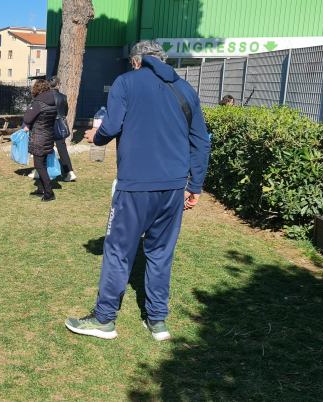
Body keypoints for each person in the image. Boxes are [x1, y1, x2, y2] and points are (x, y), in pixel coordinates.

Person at [66, 40, 211, 341]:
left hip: (135, 186)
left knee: (118, 250)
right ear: (162, 59)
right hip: (173, 188)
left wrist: (97, 136)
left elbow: (112, 125)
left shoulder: (126, 82)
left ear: (136, 61)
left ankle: (104, 319)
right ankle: (157, 321)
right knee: (160, 253)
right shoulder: (185, 89)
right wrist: (194, 186)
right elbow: (201, 142)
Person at [22, 79, 58, 202]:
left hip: (39, 137)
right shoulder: (53, 102)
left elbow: (27, 118)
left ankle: (49, 192)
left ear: (36, 88)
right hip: (48, 136)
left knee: (39, 165)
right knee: (42, 164)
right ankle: (41, 189)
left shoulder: (37, 103)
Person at [50, 76, 77, 182]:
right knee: (62, 150)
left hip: (48, 125)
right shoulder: (63, 97)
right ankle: (70, 172)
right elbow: (65, 112)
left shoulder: (46, 97)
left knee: (45, 148)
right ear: (59, 84)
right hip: (60, 125)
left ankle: (41, 171)